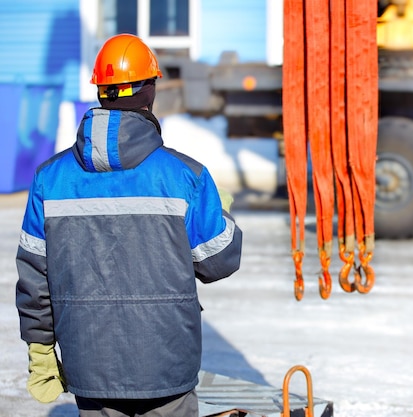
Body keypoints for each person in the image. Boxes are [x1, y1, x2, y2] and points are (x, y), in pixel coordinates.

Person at [15, 33, 242, 416]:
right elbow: (218, 262)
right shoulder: (185, 175)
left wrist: (40, 349)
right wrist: (219, 212)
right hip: (167, 363)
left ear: (101, 92)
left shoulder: (48, 179)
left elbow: (35, 279)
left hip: (89, 362)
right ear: (149, 91)